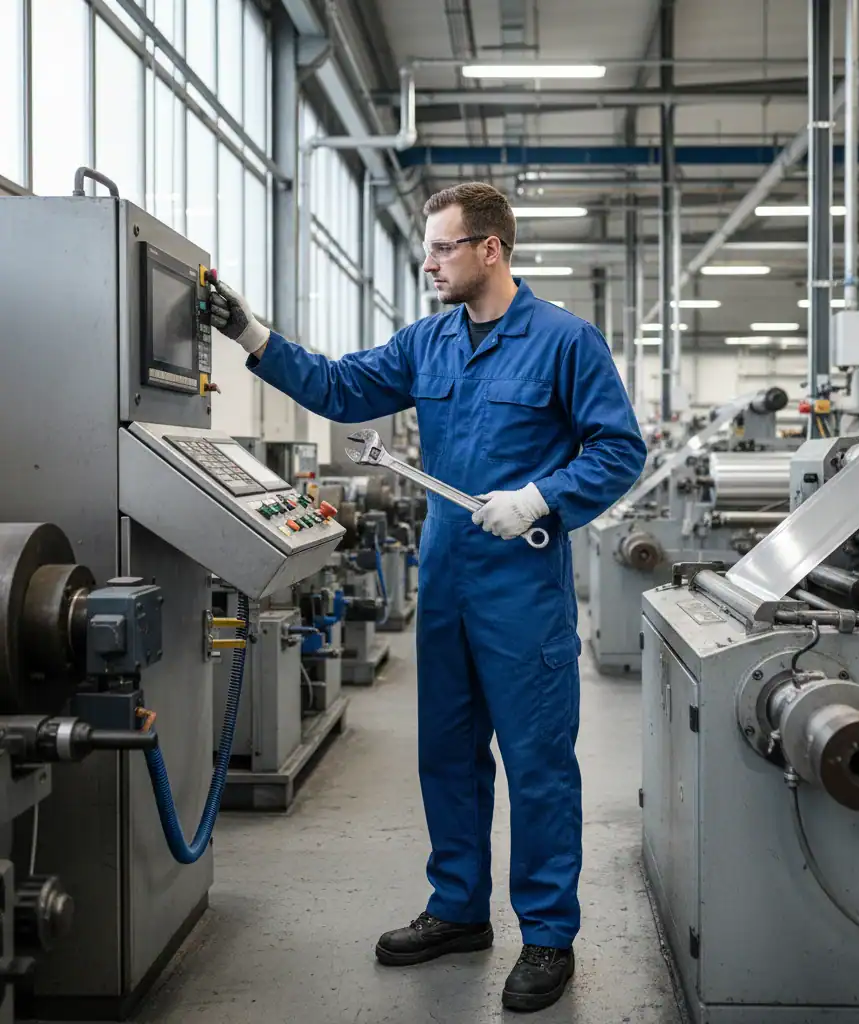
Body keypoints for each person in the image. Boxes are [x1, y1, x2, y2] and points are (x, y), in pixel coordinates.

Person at [209, 182, 646, 1013]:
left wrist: (543, 497)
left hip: (522, 585)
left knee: (537, 764)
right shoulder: (428, 342)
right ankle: (457, 909)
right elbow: (340, 388)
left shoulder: (564, 342)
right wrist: (249, 332)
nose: (429, 263)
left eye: (443, 248)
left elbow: (620, 450)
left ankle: (549, 934)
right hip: (445, 579)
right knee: (446, 754)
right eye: (427, 248)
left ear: (491, 249)